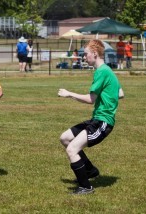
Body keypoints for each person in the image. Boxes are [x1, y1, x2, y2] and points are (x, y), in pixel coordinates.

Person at [58, 39, 124, 195]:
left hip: (103, 122)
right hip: (97, 119)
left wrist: (69, 94)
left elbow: (90, 99)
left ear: (95, 54)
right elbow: (121, 94)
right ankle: (90, 171)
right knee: (65, 138)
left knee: (72, 149)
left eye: (85, 54)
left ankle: (86, 187)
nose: (84, 57)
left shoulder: (102, 71)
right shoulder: (107, 70)